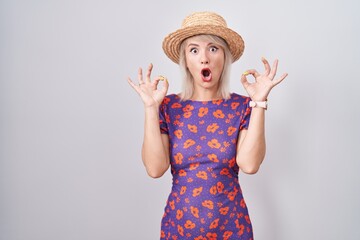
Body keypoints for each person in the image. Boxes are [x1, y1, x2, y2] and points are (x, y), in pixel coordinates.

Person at [128, 11, 287, 240]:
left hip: (232, 230)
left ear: (224, 57)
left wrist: (259, 102)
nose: (204, 58)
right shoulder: (168, 107)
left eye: (213, 48)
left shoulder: (242, 106)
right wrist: (151, 108)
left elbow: (250, 165)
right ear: (186, 62)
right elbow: (155, 169)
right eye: (194, 50)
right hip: (178, 230)